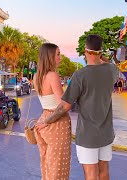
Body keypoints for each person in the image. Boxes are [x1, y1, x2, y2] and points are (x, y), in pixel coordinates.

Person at [37, 34, 118, 180]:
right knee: (104, 171)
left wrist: (46, 121)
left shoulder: (80, 75)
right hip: (106, 133)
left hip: (87, 134)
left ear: (86, 51)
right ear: (100, 52)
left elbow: (64, 106)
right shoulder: (111, 71)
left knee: (91, 174)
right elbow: (110, 63)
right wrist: (99, 55)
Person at [33, 43, 72, 180]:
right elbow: (62, 105)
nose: (60, 58)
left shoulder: (36, 76)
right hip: (56, 123)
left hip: (43, 120)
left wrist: (45, 121)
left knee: (46, 163)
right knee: (58, 166)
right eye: (58, 54)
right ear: (50, 56)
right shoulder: (52, 75)